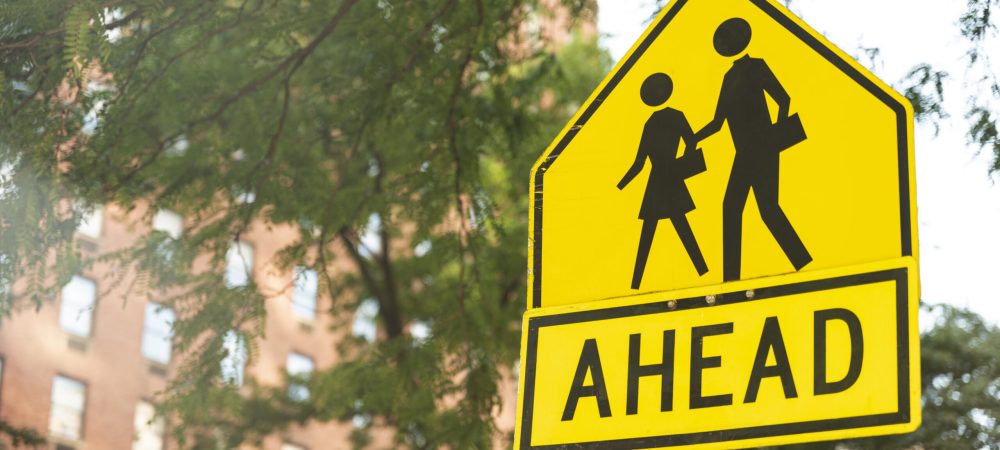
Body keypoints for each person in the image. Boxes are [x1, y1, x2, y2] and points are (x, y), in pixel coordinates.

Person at [695, 17, 812, 282]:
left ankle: (802, 264)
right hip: (745, 153)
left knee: (763, 209)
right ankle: (732, 280)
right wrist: (694, 138)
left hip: (762, 148)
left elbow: (783, 99)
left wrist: (775, 136)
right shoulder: (730, 76)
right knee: (740, 208)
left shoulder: (756, 67)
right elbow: (717, 123)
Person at [618, 72, 709, 290]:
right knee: (675, 227)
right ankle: (702, 270)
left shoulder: (651, 123)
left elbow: (639, 163)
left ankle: (636, 283)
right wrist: (681, 164)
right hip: (670, 177)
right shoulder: (674, 117)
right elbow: (691, 141)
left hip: (658, 180)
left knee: (655, 230)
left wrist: (621, 185)